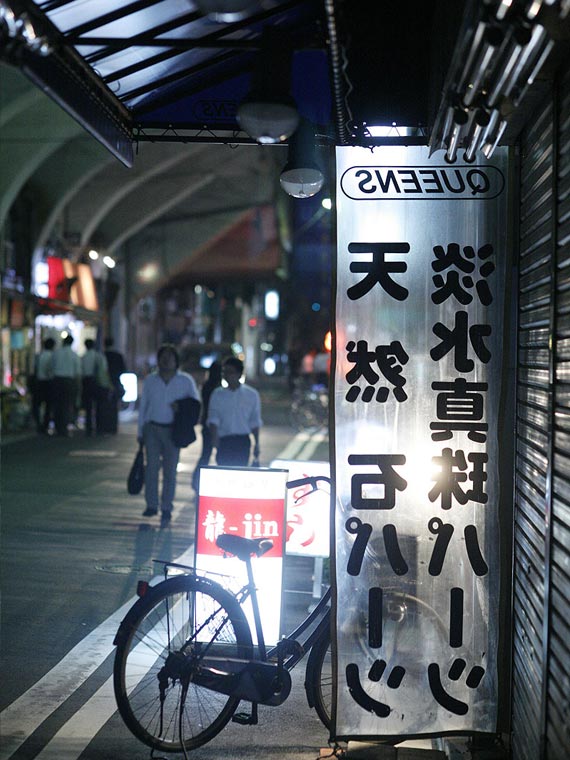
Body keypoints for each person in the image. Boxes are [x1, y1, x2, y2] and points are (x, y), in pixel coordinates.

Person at [137, 344, 200, 527]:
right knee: (151, 468)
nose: (166, 361)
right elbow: (144, 407)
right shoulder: (151, 380)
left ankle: (166, 507)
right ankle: (151, 504)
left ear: (176, 360)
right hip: (152, 428)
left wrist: (181, 407)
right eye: (163, 357)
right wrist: (140, 431)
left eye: (170, 357)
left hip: (174, 430)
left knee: (170, 471)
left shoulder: (185, 380)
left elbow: (195, 403)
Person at [207, 356, 262, 467]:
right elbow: (213, 418)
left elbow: (255, 420)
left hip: (242, 441)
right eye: (224, 372)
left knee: (240, 472)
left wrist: (257, 443)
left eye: (230, 372)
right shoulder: (218, 394)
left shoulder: (251, 395)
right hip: (224, 441)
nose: (226, 375)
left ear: (239, 374)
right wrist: (215, 440)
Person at [191, 360, 222, 492]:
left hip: (205, 423)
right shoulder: (217, 389)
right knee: (211, 455)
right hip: (214, 425)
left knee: (205, 455)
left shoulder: (206, 386)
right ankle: (197, 481)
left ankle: (196, 481)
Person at [52, 334, 81, 437]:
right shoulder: (74, 355)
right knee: (67, 404)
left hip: (57, 380)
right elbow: (77, 372)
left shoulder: (56, 353)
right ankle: (64, 428)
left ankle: (57, 427)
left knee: (57, 405)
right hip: (69, 381)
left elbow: (52, 367)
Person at [81, 338, 108, 436]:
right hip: (98, 382)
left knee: (88, 407)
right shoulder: (99, 356)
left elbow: (81, 371)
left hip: (86, 382)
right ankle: (99, 428)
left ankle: (88, 428)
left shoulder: (83, 357)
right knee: (99, 406)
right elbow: (104, 370)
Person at [33, 337, 55, 433]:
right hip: (49, 383)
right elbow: (51, 370)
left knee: (37, 404)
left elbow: (35, 369)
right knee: (48, 405)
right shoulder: (52, 356)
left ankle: (39, 423)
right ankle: (45, 425)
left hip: (39, 382)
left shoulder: (39, 356)